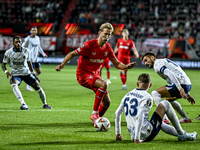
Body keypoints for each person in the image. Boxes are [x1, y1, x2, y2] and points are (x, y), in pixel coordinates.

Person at [55, 23, 136, 123]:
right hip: (83, 75)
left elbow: (116, 64)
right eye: (105, 34)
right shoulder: (89, 45)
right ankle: (94, 113)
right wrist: (62, 65)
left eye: (109, 35)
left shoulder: (107, 48)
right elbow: (72, 54)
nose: (107, 37)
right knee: (104, 84)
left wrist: (126, 66)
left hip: (94, 76)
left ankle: (96, 121)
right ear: (99, 33)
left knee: (107, 102)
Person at [115, 73, 197, 143]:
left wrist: (118, 133)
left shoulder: (128, 94)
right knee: (165, 103)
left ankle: (182, 134)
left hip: (133, 134)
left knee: (159, 122)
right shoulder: (147, 97)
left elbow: (117, 113)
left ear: (137, 84)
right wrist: (137, 138)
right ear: (150, 85)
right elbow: (140, 115)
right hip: (144, 135)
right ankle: (182, 134)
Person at [141, 52, 195, 124]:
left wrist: (180, 88)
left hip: (181, 84)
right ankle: (185, 118)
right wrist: (187, 93)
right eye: (144, 62)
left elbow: (170, 73)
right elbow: (178, 72)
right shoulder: (163, 61)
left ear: (152, 58)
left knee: (155, 93)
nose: (145, 63)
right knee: (169, 99)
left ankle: (164, 118)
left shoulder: (157, 64)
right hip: (187, 84)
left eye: (146, 60)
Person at [1, 35, 51, 110]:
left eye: (19, 42)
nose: (18, 43)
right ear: (13, 43)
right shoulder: (8, 52)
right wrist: (6, 72)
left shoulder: (26, 51)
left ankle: (45, 104)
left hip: (26, 73)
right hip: (16, 74)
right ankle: (23, 104)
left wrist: (34, 74)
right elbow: (3, 64)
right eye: (16, 42)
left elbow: (29, 63)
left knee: (37, 87)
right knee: (13, 84)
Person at [22, 26, 48, 91]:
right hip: (30, 59)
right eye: (33, 30)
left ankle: (30, 79)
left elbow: (39, 47)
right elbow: (22, 47)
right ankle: (28, 86)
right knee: (32, 72)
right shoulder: (27, 39)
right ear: (30, 31)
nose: (34, 31)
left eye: (35, 30)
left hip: (36, 58)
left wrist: (43, 54)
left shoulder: (37, 38)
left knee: (39, 72)